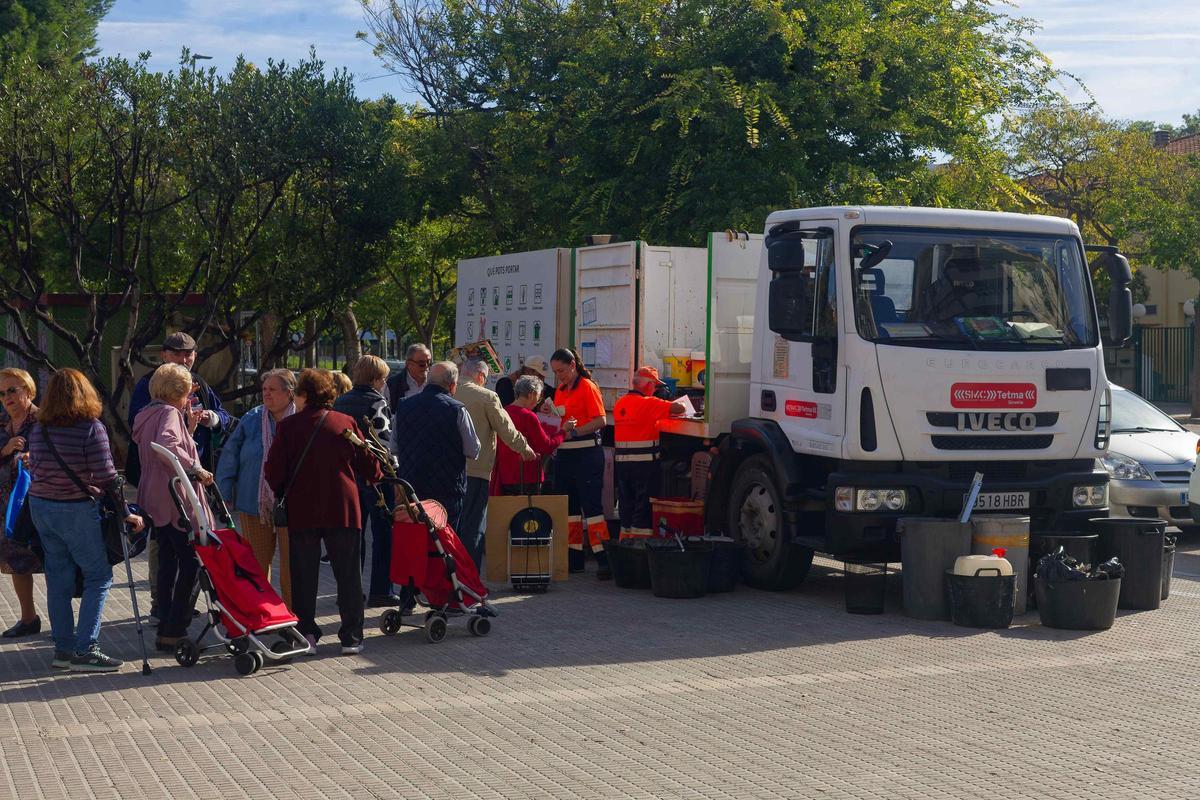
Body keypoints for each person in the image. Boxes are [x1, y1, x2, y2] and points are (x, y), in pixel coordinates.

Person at [26, 369, 144, 672]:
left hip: (41, 507)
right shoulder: (91, 428)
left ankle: (63, 649)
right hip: (75, 509)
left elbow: (35, 467)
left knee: (58, 577)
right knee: (98, 576)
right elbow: (107, 477)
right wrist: (127, 512)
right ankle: (86, 649)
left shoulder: (39, 429)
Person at [264, 369, 381, 655]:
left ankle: (307, 635)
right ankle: (351, 636)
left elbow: (273, 471)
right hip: (343, 507)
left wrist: (284, 490)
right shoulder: (345, 422)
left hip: (303, 509)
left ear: (303, 395)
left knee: (303, 575)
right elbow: (370, 465)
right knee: (348, 573)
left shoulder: (288, 427)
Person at [132, 363, 215, 652]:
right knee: (191, 561)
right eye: (188, 390)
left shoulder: (147, 413)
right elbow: (167, 445)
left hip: (153, 495)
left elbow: (161, 444)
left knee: (168, 561)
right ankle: (175, 626)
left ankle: (165, 623)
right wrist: (195, 468)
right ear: (178, 391)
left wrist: (188, 429)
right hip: (174, 497)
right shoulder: (168, 413)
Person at [215, 368, 296, 608]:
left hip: (293, 506)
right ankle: (262, 612)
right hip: (254, 503)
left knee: (292, 565)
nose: (266, 394)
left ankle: (293, 613)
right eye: (264, 389)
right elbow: (230, 455)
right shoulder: (252, 418)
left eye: (272, 389)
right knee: (257, 564)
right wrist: (223, 494)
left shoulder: (300, 419)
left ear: (289, 393)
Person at [332, 355, 399, 607]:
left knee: (352, 536)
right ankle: (381, 591)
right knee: (382, 535)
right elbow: (383, 442)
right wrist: (394, 470)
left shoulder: (340, 401)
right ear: (376, 379)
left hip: (347, 476)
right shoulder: (377, 401)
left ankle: (350, 591)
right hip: (375, 478)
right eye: (384, 379)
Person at [455, 359, 536, 566]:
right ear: (481, 376)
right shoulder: (487, 396)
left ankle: (450, 575)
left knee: (451, 523)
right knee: (474, 525)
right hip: (476, 470)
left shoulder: (448, 392)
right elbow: (506, 429)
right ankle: (470, 576)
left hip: (447, 471)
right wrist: (524, 449)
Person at [393, 361, 480, 532]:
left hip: (412, 486)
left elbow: (394, 447)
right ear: (452, 385)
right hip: (447, 488)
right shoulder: (457, 409)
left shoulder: (403, 405)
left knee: (415, 538)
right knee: (444, 538)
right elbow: (473, 450)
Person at [547, 348, 611, 579]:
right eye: (556, 372)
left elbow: (601, 420)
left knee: (592, 509)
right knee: (570, 510)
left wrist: (575, 432)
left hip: (586, 454)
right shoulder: (561, 390)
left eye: (562, 371)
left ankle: (603, 558)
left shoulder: (587, 387)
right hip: (565, 456)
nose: (559, 376)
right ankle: (574, 558)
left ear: (573, 365)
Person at [127, 332, 231, 472]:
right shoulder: (150, 383)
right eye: (176, 354)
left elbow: (224, 416)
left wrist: (212, 418)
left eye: (188, 354)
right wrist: (177, 413)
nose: (183, 360)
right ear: (163, 355)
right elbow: (136, 421)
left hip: (197, 471)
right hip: (160, 472)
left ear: (195, 355)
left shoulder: (199, 383)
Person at [613, 366, 687, 539]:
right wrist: (679, 402)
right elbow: (680, 409)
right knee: (643, 509)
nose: (655, 390)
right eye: (655, 386)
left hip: (622, 466)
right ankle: (640, 547)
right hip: (645, 466)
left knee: (626, 507)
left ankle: (625, 544)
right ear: (648, 385)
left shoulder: (620, 403)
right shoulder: (650, 403)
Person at [0, 368, 41, 638]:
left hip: (39, 502)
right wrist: (5, 450)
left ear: (28, 390)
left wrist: (33, 457)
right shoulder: (2, 422)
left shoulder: (42, 421)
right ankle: (28, 618)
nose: (7, 397)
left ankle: (65, 625)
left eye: (12, 390)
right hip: (9, 506)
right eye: (2, 393)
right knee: (16, 560)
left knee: (51, 560)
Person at [492, 375, 566, 496]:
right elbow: (546, 446)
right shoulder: (529, 416)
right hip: (528, 476)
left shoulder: (504, 412)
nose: (537, 402)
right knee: (529, 508)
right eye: (538, 397)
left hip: (505, 475)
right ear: (532, 394)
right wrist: (563, 432)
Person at [385, 343, 431, 418]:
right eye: (421, 363)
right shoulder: (393, 384)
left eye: (428, 362)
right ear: (409, 364)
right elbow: (387, 413)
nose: (426, 366)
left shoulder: (436, 382)